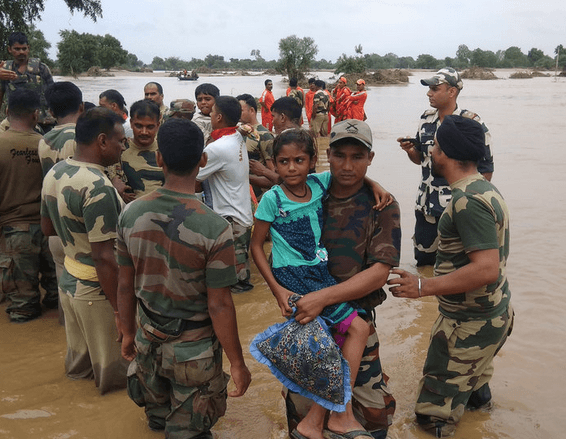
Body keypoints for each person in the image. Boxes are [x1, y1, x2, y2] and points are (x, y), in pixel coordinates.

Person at [251, 128, 392, 439]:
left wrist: (375, 183)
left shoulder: (329, 188)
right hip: (297, 281)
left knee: (349, 336)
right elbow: (256, 245)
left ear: (312, 161)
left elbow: (381, 271)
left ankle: (319, 421)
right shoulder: (275, 198)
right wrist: (278, 290)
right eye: (283, 162)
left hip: (320, 279)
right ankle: (328, 418)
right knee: (341, 336)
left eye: (298, 161)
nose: (291, 168)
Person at [117, 118, 251, 438]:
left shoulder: (130, 213)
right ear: (202, 161)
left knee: (156, 419)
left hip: (147, 340)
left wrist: (126, 333)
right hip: (195, 353)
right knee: (190, 431)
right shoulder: (215, 227)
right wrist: (237, 363)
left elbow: (124, 285)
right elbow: (219, 305)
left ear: (159, 158)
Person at [389, 116, 512, 438]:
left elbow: (486, 268)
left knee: (431, 416)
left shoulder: (466, 201)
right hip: (492, 314)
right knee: (474, 394)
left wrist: (422, 285)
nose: (431, 150)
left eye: (435, 145)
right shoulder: (485, 189)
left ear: (444, 152)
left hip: (469, 323)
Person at [40, 107, 129, 394]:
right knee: (113, 377)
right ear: (102, 141)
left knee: (78, 370)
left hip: (69, 281)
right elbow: (104, 257)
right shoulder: (98, 187)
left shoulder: (57, 170)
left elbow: (47, 228)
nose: (123, 146)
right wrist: (120, 311)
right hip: (96, 290)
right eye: (120, 140)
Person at [0, 88, 57, 322]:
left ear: (6, 112)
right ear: (36, 115)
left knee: (22, 310)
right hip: (52, 232)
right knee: (59, 303)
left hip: (14, 235)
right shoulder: (48, 144)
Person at [397, 67, 494, 266]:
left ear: (452, 91)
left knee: (456, 263)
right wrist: (410, 151)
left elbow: (486, 169)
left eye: (435, 88)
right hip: (425, 206)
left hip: (456, 207)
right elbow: (422, 161)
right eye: (429, 89)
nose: (429, 93)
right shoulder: (426, 119)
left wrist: (470, 203)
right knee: (424, 263)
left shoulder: (470, 123)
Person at [196, 96, 253, 294]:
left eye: (212, 112)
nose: (209, 115)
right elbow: (241, 129)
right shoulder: (236, 136)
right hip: (242, 215)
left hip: (231, 220)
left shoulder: (217, 148)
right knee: (240, 274)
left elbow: (193, 176)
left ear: (219, 117)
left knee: (235, 283)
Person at [38, 81, 84, 325]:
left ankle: (64, 333)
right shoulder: (83, 138)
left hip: (55, 224)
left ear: (51, 112)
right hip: (81, 228)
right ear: (81, 106)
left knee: (63, 283)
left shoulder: (43, 141)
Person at [0, 32, 55, 131]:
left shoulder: (41, 68)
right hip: (15, 122)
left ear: (28, 48)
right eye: (17, 49)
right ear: (9, 49)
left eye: (24, 49)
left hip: (41, 123)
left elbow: (53, 95)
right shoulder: (5, 70)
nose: (21, 52)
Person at [109, 100, 163, 203]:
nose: (144, 132)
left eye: (150, 127)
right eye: (139, 126)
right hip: (130, 212)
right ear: (131, 123)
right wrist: (113, 181)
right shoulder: (119, 149)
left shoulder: (167, 150)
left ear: (158, 125)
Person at [235, 93, 277, 198]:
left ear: (252, 111)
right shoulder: (237, 133)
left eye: (240, 111)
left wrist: (243, 177)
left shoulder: (264, 135)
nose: (236, 114)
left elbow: (272, 174)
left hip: (258, 196)